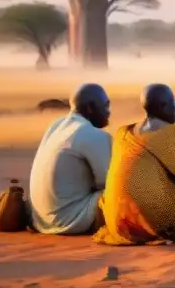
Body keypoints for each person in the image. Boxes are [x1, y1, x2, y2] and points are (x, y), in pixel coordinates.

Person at [93, 84, 175, 246]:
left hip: (118, 220)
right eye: (173, 104)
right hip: (155, 221)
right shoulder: (172, 133)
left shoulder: (122, 133)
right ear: (162, 106)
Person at [28, 83, 112, 235]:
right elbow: (109, 182)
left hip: (41, 219)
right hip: (71, 220)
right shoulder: (93, 134)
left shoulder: (56, 126)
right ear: (90, 108)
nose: (108, 112)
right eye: (105, 106)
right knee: (129, 189)